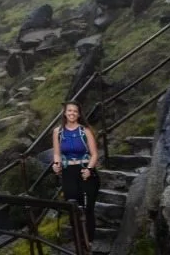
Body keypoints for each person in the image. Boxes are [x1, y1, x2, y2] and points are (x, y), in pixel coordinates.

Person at [51, 101, 99, 244]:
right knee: (72, 207)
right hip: (68, 173)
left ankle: (89, 241)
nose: (72, 113)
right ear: (65, 113)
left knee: (88, 208)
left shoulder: (85, 131)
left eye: (75, 111)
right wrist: (56, 165)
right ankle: (79, 240)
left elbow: (95, 154)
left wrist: (89, 169)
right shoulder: (57, 132)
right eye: (69, 111)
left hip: (85, 170)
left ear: (78, 114)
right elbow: (57, 154)